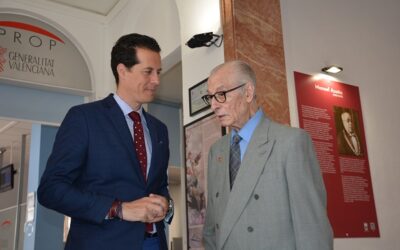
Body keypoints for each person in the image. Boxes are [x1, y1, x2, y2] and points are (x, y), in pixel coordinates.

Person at [38, 33, 174, 250]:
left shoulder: (160, 130)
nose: (156, 80)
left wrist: (166, 204)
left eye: (158, 72)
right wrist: (119, 209)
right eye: (148, 72)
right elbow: (51, 189)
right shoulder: (84, 118)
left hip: (154, 243)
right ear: (122, 71)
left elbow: (160, 186)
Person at [201, 60, 333, 250]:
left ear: (247, 92)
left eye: (221, 94)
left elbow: (312, 230)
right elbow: (212, 228)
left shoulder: (290, 143)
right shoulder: (217, 151)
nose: (213, 105)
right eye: (210, 97)